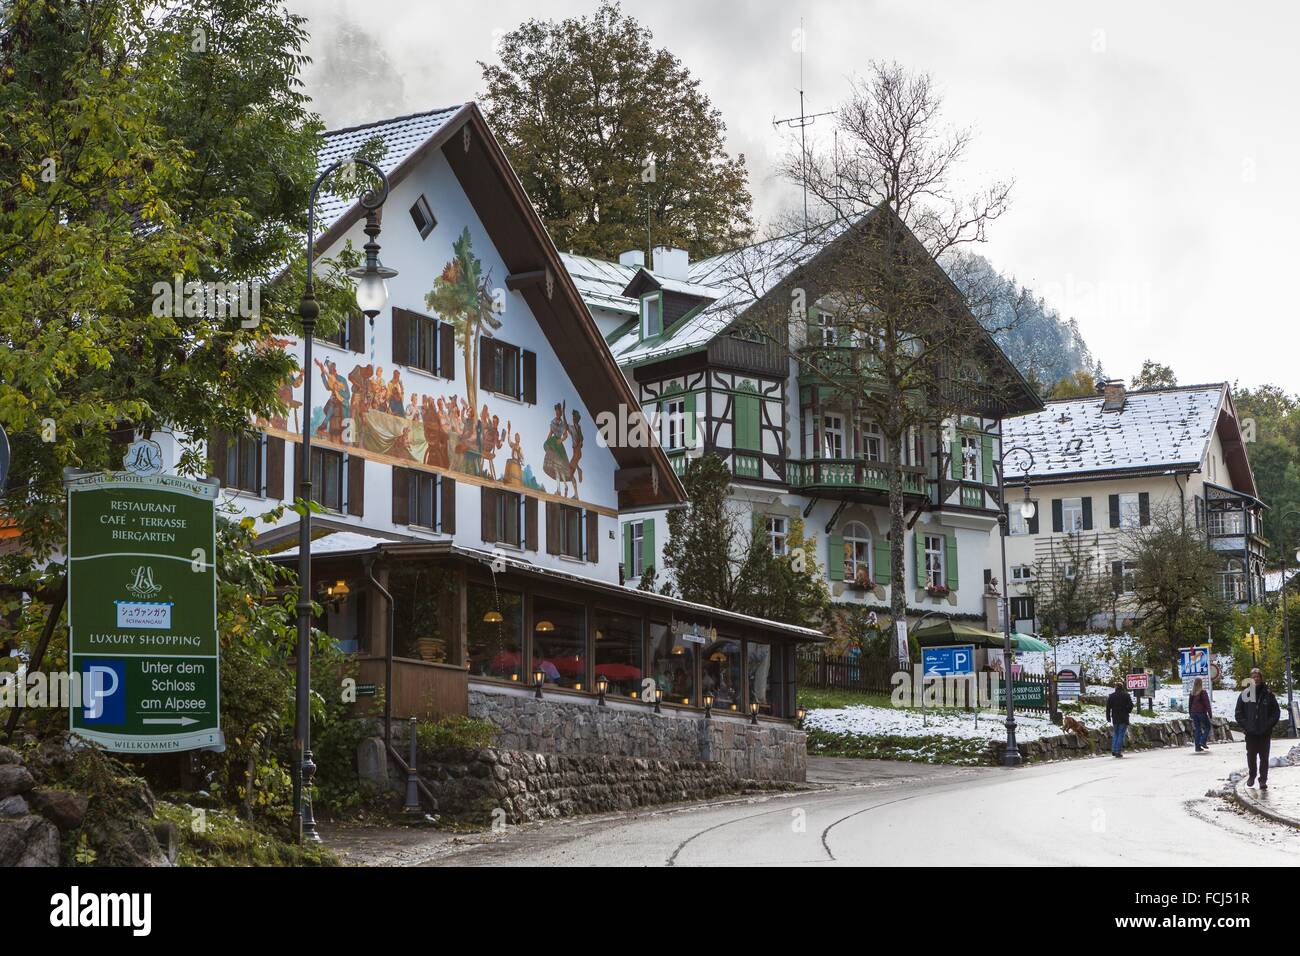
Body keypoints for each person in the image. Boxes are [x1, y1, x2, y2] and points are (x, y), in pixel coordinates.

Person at [1235, 667, 1281, 789]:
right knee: (1251, 756)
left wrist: (1267, 725)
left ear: (1261, 678)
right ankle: (1252, 775)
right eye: (1253, 677)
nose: (1256, 679)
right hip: (1251, 733)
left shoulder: (1268, 694)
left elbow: (1276, 713)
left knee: (1264, 757)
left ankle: (1263, 780)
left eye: (1258, 676)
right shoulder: (1245, 695)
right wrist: (1247, 726)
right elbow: (1239, 713)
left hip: (1265, 732)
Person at [1106, 682, 1134, 757]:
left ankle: (1114, 750)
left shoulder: (1111, 696)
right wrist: (1127, 710)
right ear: (1122, 687)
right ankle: (1118, 751)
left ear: (1116, 687)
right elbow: (1131, 705)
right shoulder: (1126, 695)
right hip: (1123, 717)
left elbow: (1108, 708)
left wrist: (1108, 717)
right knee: (1121, 734)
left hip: (1115, 717)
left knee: (1116, 733)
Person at [1188, 678, 1213, 752]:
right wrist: (1210, 713)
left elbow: (1190, 704)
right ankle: (1202, 741)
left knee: (1197, 729)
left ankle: (1197, 747)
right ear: (1201, 683)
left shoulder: (1192, 693)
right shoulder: (1203, 692)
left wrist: (1190, 713)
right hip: (1201, 712)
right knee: (1208, 726)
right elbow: (1207, 703)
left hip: (1193, 713)